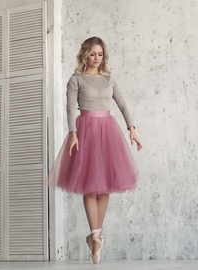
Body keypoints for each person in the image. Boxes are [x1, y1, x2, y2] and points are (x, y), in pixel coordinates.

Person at [48, 37, 142, 264]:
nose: (96, 58)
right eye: (92, 54)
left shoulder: (109, 78)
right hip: (86, 132)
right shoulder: (76, 79)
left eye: (100, 54)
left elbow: (122, 104)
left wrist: (132, 128)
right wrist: (72, 133)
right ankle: (97, 236)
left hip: (108, 131)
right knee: (90, 187)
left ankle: (95, 237)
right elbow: (70, 108)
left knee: (106, 186)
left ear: (104, 56)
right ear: (84, 55)